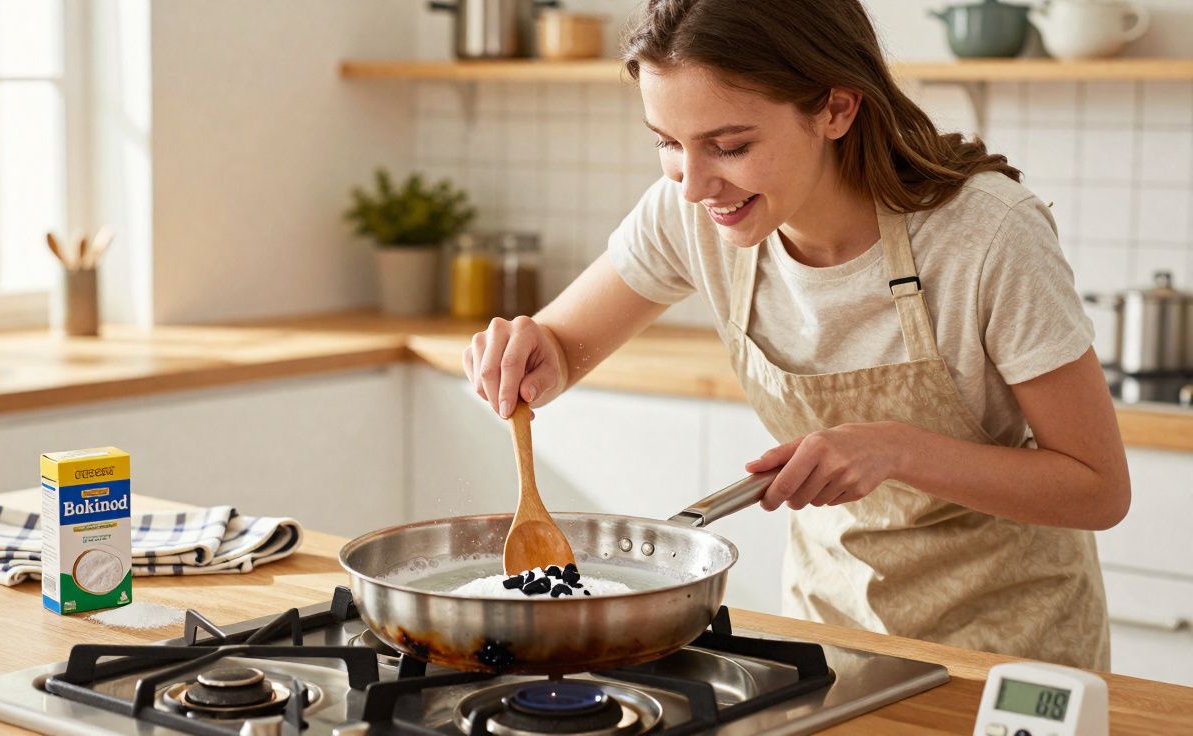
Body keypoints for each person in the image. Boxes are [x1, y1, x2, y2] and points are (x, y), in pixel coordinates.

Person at [461, 0, 1128, 670]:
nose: (693, 185)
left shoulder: (987, 236)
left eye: (730, 146)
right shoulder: (692, 213)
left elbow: (1098, 488)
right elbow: (559, 343)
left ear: (836, 109)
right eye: (666, 142)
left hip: (1006, 646)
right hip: (830, 632)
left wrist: (896, 449)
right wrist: (529, 353)